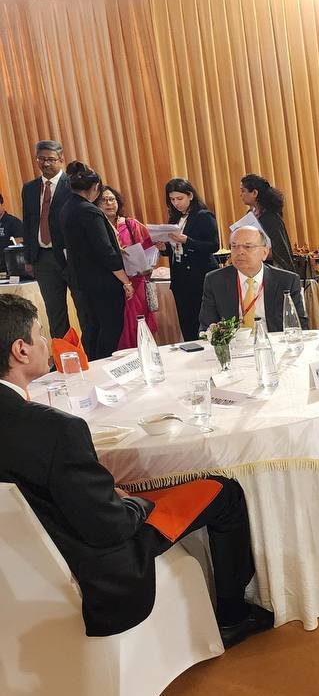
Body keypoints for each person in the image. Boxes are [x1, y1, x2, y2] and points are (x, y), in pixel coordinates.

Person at [0, 293, 272, 646]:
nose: (46, 343)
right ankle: (233, 615)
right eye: (40, 334)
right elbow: (108, 527)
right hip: (95, 561)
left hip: (23, 565)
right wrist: (131, 501)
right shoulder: (56, 429)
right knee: (224, 491)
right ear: (21, 350)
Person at [59, 162, 130, 360]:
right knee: (109, 330)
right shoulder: (89, 211)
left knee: (92, 329)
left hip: (81, 281)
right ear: (95, 187)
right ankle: (102, 366)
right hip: (102, 283)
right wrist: (125, 281)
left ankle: (92, 365)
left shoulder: (67, 208)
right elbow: (105, 251)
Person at [199, 226, 308, 334]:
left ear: (264, 253)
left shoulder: (287, 281)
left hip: (275, 342)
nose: (240, 252)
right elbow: (207, 327)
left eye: (248, 247)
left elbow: (299, 326)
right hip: (234, 343)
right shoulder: (215, 280)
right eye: (234, 246)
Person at [20, 140, 73, 337]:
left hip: (71, 256)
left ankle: (90, 352)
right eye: (41, 159)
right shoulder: (30, 188)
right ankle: (64, 353)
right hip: (43, 258)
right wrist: (28, 258)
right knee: (55, 313)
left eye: (51, 159)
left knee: (85, 308)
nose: (46, 163)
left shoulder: (72, 185)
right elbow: (28, 223)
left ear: (61, 160)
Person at [95, 186, 157, 350]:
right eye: (104, 200)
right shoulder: (96, 227)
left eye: (112, 199)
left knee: (139, 324)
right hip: (112, 282)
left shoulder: (131, 224)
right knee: (116, 327)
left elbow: (149, 249)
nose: (109, 203)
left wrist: (147, 265)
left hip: (136, 281)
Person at [162, 179, 220, 341]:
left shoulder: (203, 216)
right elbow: (175, 249)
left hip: (199, 276)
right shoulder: (175, 219)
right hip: (180, 279)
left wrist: (187, 240)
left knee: (203, 322)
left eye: (179, 198)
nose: (176, 203)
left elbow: (214, 245)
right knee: (186, 323)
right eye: (172, 199)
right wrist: (163, 247)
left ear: (190, 196)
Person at [239, 174, 295, 275]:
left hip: (272, 271)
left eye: (243, 191)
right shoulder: (250, 214)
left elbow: (279, 251)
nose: (240, 194)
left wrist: (254, 251)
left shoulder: (270, 217)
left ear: (254, 193)